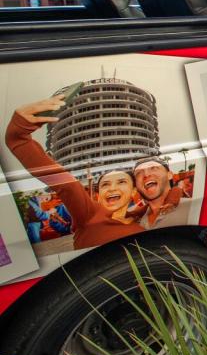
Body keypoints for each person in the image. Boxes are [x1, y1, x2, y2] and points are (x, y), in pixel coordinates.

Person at [6, 96, 144, 249]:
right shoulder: (91, 215)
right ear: (98, 195)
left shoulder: (147, 216)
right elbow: (64, 183)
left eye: (121, 181)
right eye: (105, 184)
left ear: (133, 191)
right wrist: (18, 136)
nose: (112, 188)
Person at [132, 157, 186, 229]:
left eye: (153, 168)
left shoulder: (193, 208)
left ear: (169, 175)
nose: (146, 174)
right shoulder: (136, 221)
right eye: (138, 173)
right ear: (136, 185)